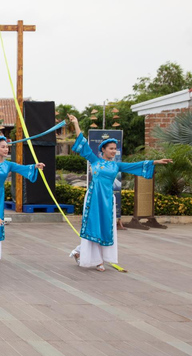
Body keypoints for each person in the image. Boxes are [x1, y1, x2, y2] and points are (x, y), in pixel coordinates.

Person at [66, 115, 172, 271]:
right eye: (111, 149)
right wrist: (75, 123)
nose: (114, 151)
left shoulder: (117, 166)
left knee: (105, 228)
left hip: (108, 200)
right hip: (93, 199)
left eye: (115, 149)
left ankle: (84, 254)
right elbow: (82, 142)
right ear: (103, 150)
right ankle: (96, 260)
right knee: (93, 227)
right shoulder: (94, 161)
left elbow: (136, 165)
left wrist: (155, 162)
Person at [0, 136, 44, 264]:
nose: (6, 149)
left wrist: (35, 166)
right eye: (3, 147)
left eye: (7, 147)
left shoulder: (8, 165)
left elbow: (23, 168)